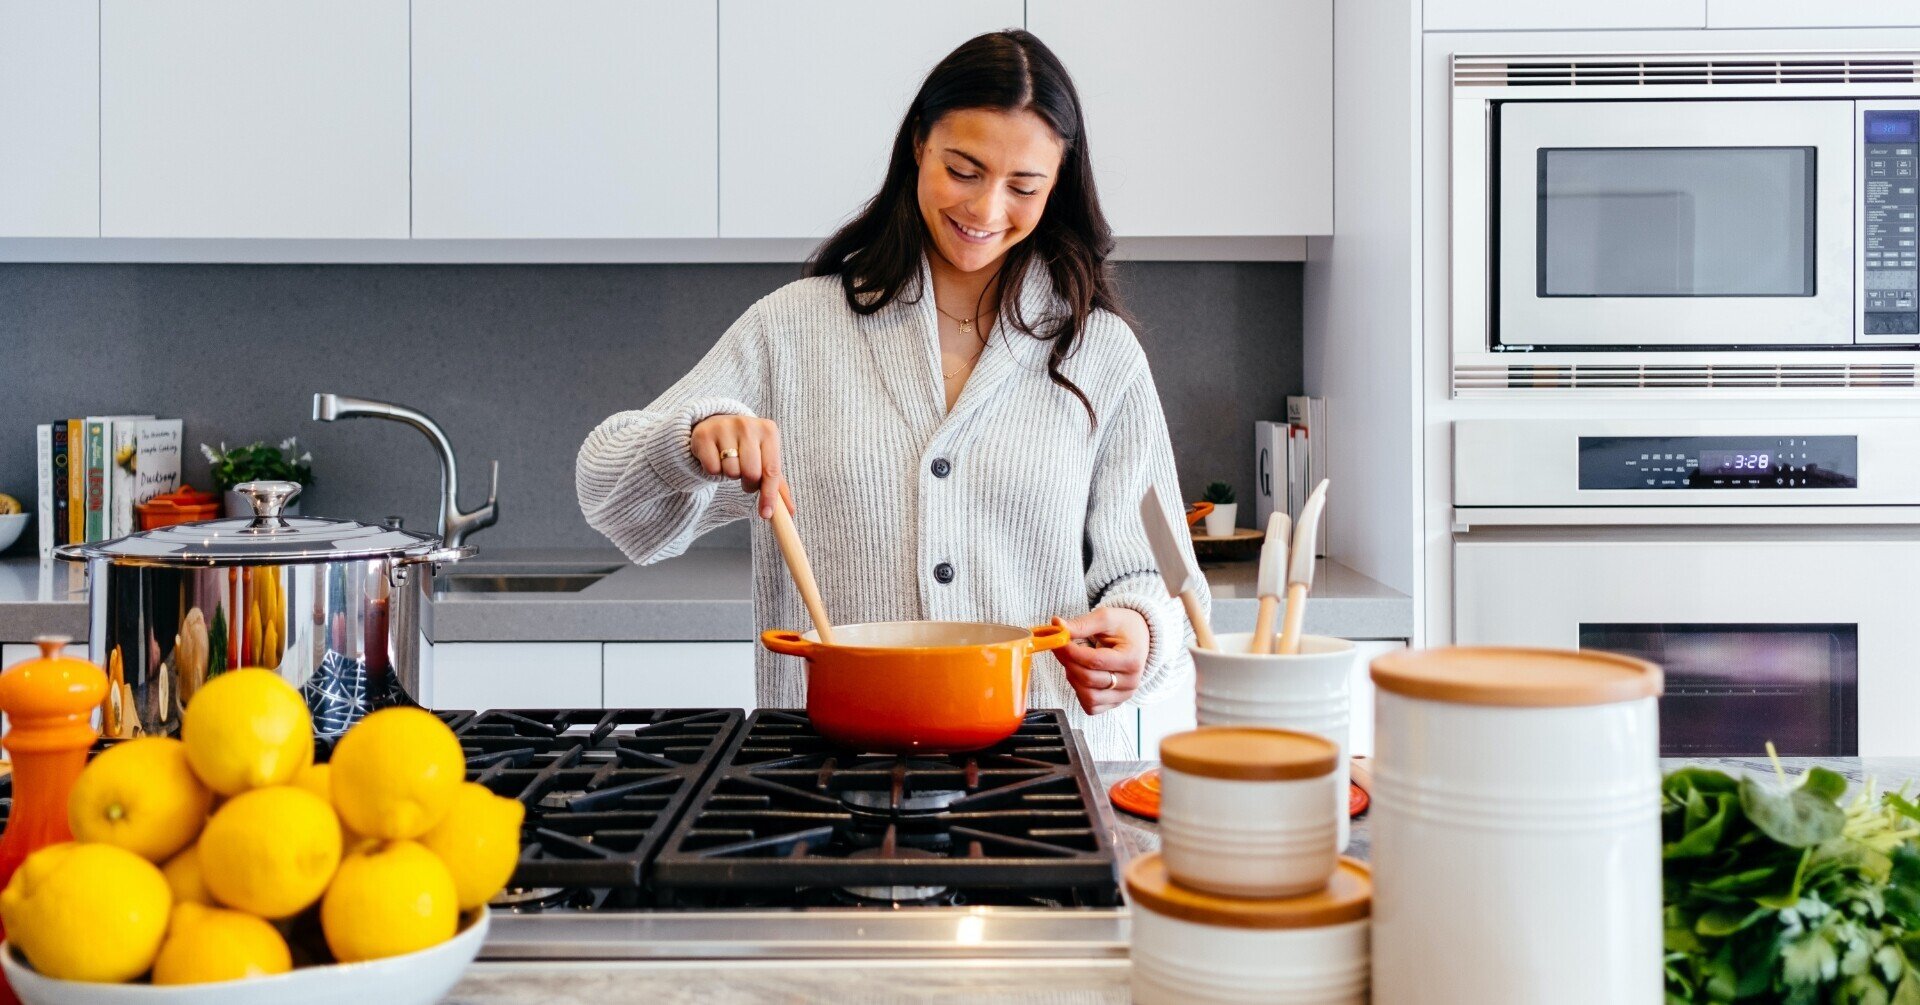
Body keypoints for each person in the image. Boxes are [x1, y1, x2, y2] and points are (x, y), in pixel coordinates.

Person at [576, 29, 1206, 759]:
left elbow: (1159, 577)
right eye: (963, 169)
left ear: (1058, 182)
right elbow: (608, 494)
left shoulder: (1099, 353)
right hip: (821, 778)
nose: (987, 208)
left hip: (1034, 782)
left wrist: (1138, 631)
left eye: (1023, 186)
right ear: (917, 145)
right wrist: (689, 441)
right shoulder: (796, 329)